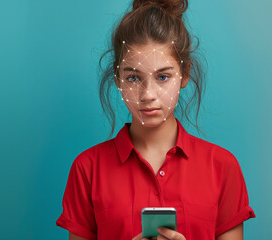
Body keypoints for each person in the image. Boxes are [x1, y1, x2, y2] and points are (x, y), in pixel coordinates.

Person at [55, 0, 255, 239]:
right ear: (117, 79)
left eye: (162, 77)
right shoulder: (87, 169)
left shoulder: (222, 168)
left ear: (185, 74)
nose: (148, 95)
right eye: (133, 78)